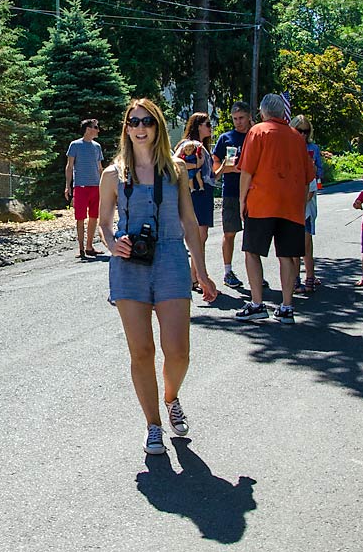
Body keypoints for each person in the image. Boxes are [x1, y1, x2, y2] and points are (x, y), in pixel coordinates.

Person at [99, 98, 207, 455]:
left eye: (147, 121)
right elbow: (103, 223)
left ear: (158, 126)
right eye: (133, 122)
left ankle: (171, 396)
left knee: (178, 352)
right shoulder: (113, 174)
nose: (140, 128)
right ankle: (153, 424)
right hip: (129, 266)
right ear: (126, 128)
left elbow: (190, 221)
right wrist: (114, 243)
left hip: (172, 258)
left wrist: (201, 271)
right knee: (141, 350)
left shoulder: (176, 169)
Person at [233, 94, 315, 324]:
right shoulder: (297, 138)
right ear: (283, 113)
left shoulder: (258, 131)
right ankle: (287, 306)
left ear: (263, 112)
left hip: (261, 202)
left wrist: (242, 201)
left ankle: (257, 303)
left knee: (252, 251)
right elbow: (309, 175)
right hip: (291, 205)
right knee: (288, 256)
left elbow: (247, 170)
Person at [173, 112, 218, 301]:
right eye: (207, 124)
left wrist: (224, 167)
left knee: (202, 235)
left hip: (205, 191)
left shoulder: (203, 148)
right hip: (194, 193)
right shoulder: (187, 145)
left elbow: (210, 175)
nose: (210, 127)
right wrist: (193, 167)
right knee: (197, 235)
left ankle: (195, 276)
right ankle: (195, 277)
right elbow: (176, 164)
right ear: (197, 125)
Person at [213, 102, 253, 288]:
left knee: (253, 235)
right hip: (230, 191)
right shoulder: (225, 138)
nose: (238, 122)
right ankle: (228, 271)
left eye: (241, 118)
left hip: (254, 192)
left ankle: (255, 273)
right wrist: (225, 168)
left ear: (249, 116)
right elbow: (216, 162)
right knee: (229, 232)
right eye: (235, 119)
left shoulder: (256, 135)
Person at [290, 115, 323, 293]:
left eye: (306, 131)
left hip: (306, 207)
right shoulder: (287, 148)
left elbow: (315, 181)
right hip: (290, 207)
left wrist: (315, 170)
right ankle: (295, 279)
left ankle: (310, 276)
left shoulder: (312, 149)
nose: (302, 135)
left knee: (306, 245)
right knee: (293, 248)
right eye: (299, 130)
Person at [66, 118, 104, 258]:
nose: (98, 130)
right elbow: (69, 166)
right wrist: (67, 186)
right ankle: (81, 248)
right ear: (88, 129)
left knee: (94, 216)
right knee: (80, 217)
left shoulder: (97, 147)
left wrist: (104, 185)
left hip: (96, 187)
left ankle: (89, 246)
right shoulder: (75, 145)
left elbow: (100, 168)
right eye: (96, 127)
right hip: (80, 187)